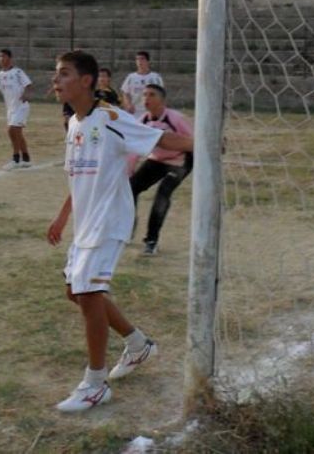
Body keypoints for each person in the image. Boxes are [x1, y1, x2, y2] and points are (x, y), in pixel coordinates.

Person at [47, 50, 194, 413]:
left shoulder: (110, 118)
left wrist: (202, 142)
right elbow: (77, 177)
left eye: (64, 73)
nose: (56, 80)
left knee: (89, 293)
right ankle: (138, 344)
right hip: (86, 223)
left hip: (109, 220)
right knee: (75, 292)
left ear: (86, 81)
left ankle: (95, 385)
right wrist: (63, 217)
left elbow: (160, 139)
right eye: (56, 73)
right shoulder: (74, 124)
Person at [130, 85, 194, 255]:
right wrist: (130, 169)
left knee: (162, 193)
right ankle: (128, 227)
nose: (146, 98)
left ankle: (151, 241)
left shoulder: (176, 118)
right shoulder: (142, 121)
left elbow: (195, 141)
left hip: (180, 161)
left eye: (151, 95)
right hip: (157, 160)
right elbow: (134, 148)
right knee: (130, 188)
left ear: (162, 100)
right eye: (144, 95)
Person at [120, 51, 163, 116]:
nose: (139, 61)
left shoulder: (156, 77)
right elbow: (125, 93)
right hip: (135, 112)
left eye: (142, 59)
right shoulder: (131, 77)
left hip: (151, 111)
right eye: (137, 59)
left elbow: (161, 94)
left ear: (148, 61)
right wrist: (128, 104)